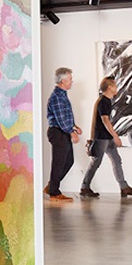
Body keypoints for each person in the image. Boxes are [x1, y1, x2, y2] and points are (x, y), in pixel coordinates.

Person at [80, 77, 132, 198]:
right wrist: (116, 136)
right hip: (101, 137)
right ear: (110, 87)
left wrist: (112, 137)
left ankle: (124, 187)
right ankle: (85, 187)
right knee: (95, 162)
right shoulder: (103, 101)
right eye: (115, 86)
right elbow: (105, 120)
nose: (117, 88)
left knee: (116, 160)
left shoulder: (106, 100)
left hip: (107, 138)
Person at [45, 67, 82, 202]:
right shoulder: (57, 97)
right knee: (59, 163)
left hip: (62, 131)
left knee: (68, 161)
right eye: (70, 79)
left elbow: (64, 116)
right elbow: (60, 119)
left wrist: (74, 126)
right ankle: (54, 193)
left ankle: (52, 187)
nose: (72, 81)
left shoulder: (62, 95)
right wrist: (72, 132)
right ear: (62, 81)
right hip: (58, 133)